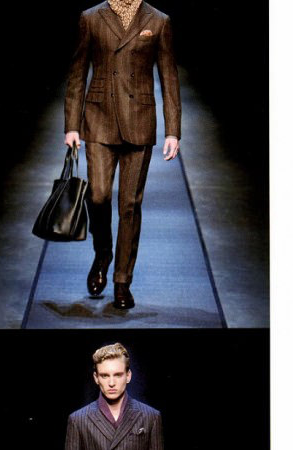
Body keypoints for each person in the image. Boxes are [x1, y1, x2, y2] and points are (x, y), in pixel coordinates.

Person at [64, 0, 181, 309]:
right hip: (99, 119)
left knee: (130, 205)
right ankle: (103, 252)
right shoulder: (91, 17)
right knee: (98, 195)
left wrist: (173, 131)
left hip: (139, 121)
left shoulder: (158, 20)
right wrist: (72, 126)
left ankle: (122, 281)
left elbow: (169, 77)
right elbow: (77, 72)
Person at [65, 343, 163, 450]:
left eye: (118, 375)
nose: (111, 383)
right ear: (96, 378)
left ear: (128, 376)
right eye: (105, 376)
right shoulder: (78, 420)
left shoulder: (151, 417)